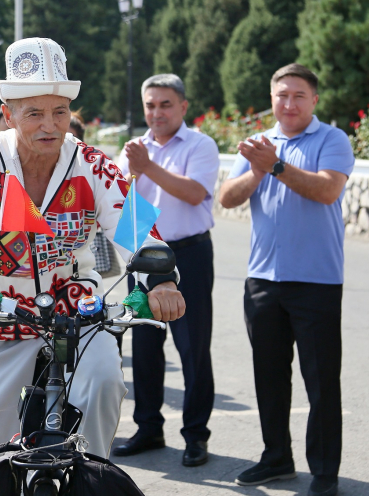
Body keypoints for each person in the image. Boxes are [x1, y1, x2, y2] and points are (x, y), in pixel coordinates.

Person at [0, 37, 186, 467]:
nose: (50, 125)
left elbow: (139, 227)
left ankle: (91, 475)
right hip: (0, 318)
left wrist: (163, 280)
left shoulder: (94, 165)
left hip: (80, 318)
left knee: (105, 384)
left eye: (59, 112)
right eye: (34, 114)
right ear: (8, 115)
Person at [218, 64, 354, 496]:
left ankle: (324, 472)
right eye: (281, 95)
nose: (289, 103)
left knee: (320, 381)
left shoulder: (332, 139)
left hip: (315, 281)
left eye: (298, 95)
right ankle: (276, 456)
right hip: (263, 279)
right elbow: (227, 197)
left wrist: (275, 167)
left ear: (314, 100)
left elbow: (327, 190)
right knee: (269, 376)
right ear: (272, 99)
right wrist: (258, 170)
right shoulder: (261, 145)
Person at [114, 74, 220, 467]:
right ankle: (148, 427)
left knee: (192, 348)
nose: (156, 113)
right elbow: (117, 204)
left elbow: (195, 193)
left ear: (183, 107)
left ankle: (195, 435)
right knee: (143, 347)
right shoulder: (132, 149)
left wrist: (148, 167)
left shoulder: (200, 145)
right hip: (144, 258)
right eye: (150, 105)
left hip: (188, 254)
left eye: (165, 105)